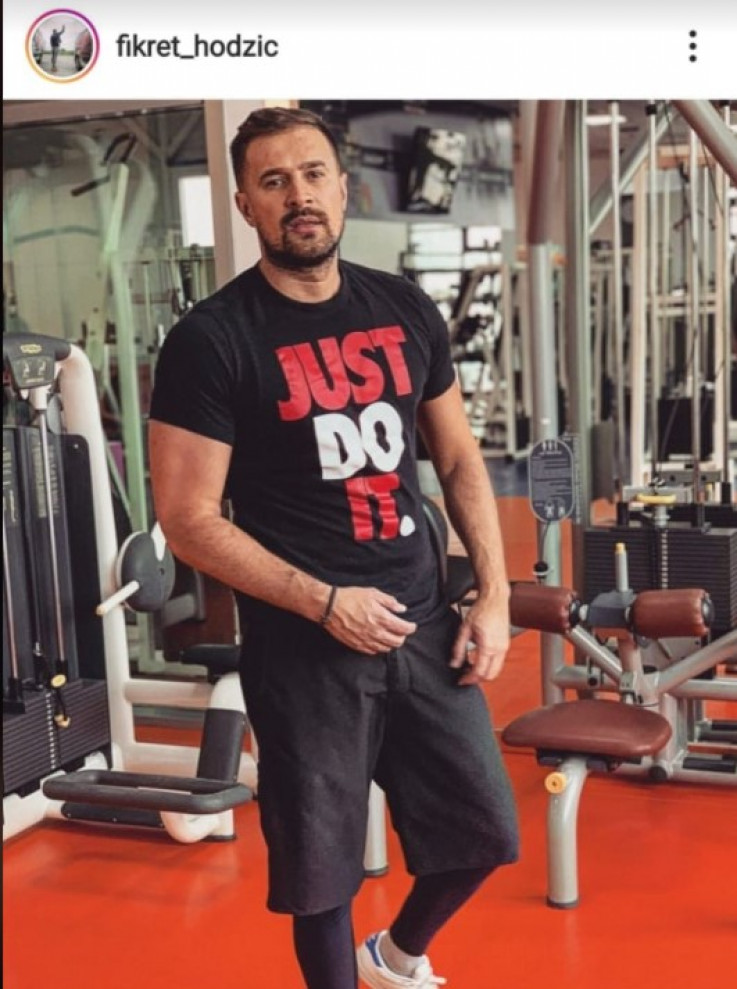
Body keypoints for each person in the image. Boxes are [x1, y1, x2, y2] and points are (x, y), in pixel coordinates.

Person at [148, 106, 519, 989]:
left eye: (313, 174)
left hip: (423, 622)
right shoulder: (212, 341)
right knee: (322, 877)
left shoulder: (403, 307)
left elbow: (456, 458)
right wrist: (322, 601)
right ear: (245, 204)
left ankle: (394, 958)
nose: (298, 196)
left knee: (485, 831)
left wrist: (495, 594)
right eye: (273, 181)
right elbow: (188, 517)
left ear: (343, 189)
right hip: (304, 647)